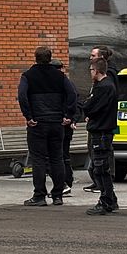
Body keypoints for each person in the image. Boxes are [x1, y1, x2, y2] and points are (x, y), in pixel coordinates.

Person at [18, 47, 77, 207]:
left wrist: (28, 116)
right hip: (56, 123)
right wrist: (68, 115)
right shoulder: (60, 76)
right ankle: (58, 195)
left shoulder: (28, 76)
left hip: (37, 123)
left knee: (38, 160)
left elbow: (22, 96)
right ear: (50, 59)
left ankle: (39, 195)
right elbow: (72, 94)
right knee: (57, 158)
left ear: (35, 58)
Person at [83, 58, 119, 215]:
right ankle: (111, 199)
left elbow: (91, 107)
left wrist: (86, 107)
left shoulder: (103, 87)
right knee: (101, 167)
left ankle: (105, 201)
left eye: (91, 70)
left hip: (101, 132)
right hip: (103, 130)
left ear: (96, 71)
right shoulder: (107, 86)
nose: (90, 72)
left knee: (101, 168)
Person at [50, 59, 80, 197]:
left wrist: (70, 117)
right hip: (65, 123)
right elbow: (76, 102)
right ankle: (67, 182)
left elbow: (74, 101)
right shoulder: (69, 83)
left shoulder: (57, 83)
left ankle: (64, 183)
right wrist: (72, 117)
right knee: (64, 155)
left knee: (57, 156)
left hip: (59, 123)